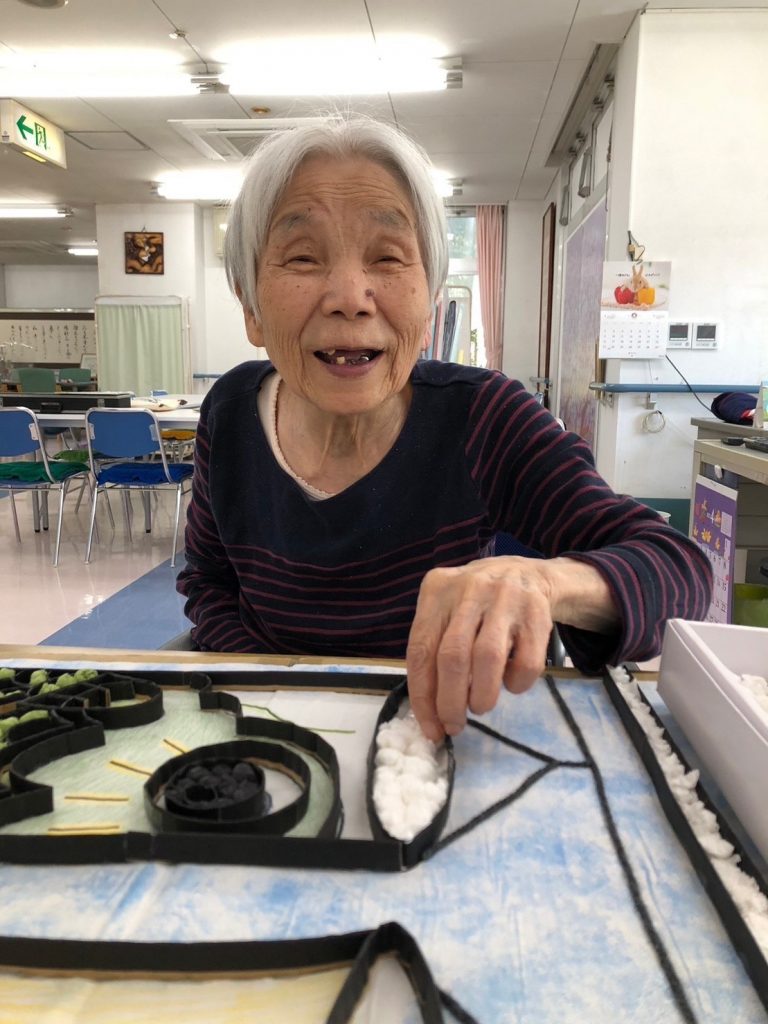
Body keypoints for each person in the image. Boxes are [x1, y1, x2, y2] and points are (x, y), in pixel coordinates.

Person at [177, 115, 712, 743]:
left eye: (387, 257)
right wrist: (278, 691)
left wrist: (541, 580)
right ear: (250, 307)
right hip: (268, 725)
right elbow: (207, 580)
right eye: (302, 257)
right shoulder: (230, 411)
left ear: (430, 302)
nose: (350, 296)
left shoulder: (482, 416)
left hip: (434, 729)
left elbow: (679, 570)